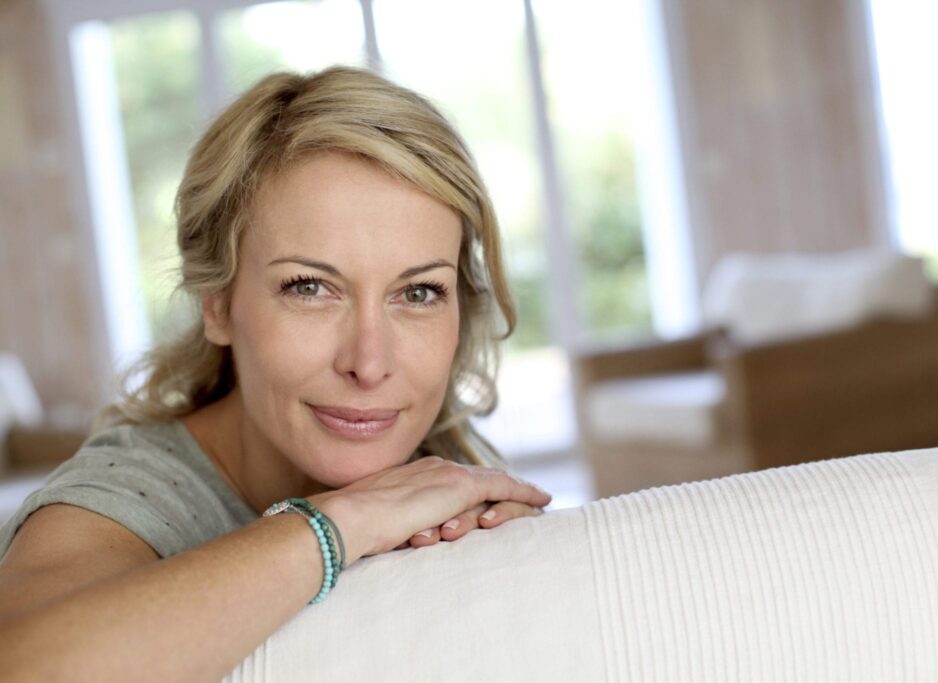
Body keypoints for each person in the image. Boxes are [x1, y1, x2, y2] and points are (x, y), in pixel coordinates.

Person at [0, 66, 551, 680]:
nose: (369, 364)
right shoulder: (128, 493)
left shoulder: (443, 472)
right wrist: (341, 523)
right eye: (309, 287)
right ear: (217, 302)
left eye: (419, 292)